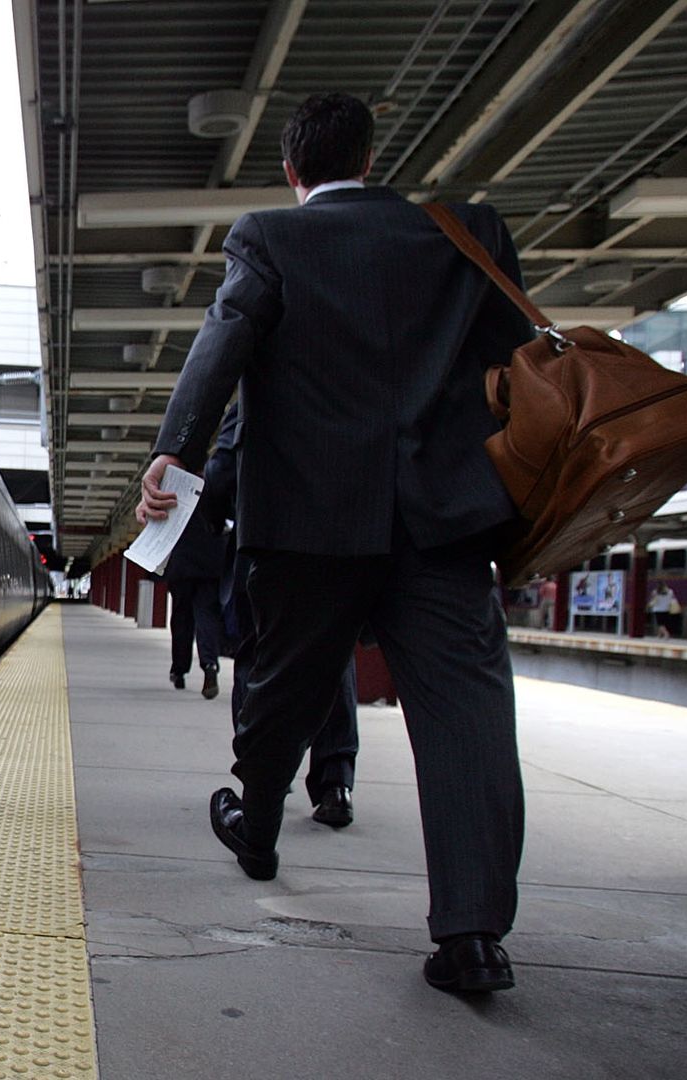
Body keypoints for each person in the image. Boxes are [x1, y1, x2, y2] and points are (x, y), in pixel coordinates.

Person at [137, 92, 530, 994]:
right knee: (466, 718)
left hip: (311, 522)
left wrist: (175, 451)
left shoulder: (271, 238)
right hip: (444, 524)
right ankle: (472, 937)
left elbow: (224, 338)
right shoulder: (466, 233)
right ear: (371, 153)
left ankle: (259, 827)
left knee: (283, 688)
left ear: (291, 170)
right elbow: (518, 360)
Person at [205, 405, 359, 826]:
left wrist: (214, 513)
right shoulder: (360, 380)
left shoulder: (268, 377)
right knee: (335, 659)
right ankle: (335, 785)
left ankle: (261, 782)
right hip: (343, 543)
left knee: (257, 660)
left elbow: (221, 474)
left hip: (268, 546)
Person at [165, 479, 228, 699]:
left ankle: (179, 670)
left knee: (181, 617)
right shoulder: (217, 487)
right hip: (212, 565)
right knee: (207, 615)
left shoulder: (177, 489)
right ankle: (210, 665)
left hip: (182, 566)